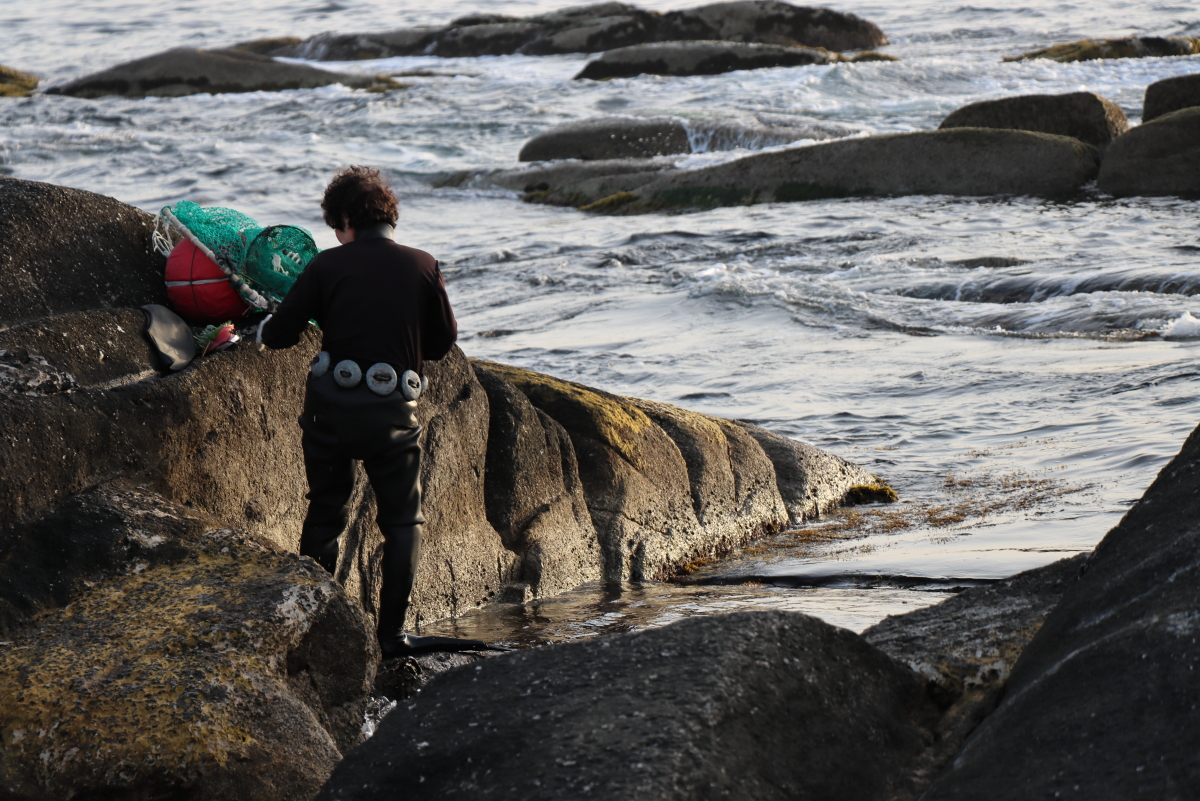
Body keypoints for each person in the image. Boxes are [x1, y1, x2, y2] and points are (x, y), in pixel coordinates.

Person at [259, 165, 457, 658]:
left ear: (346, 217)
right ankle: (391, 636)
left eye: (335, 225)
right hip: (392, 417)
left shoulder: (327, 266)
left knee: (326, 511)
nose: (336, 235)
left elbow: (279, 334)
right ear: (387, 216)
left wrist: (268, 325)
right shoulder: (423, 265)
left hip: (329, 414)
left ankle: (312, 628)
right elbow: (442, 343)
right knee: (403, 523)